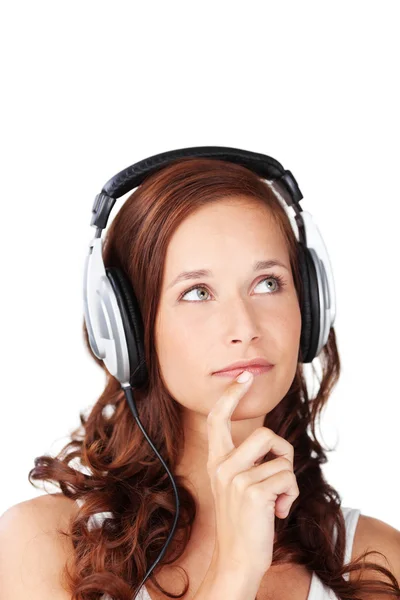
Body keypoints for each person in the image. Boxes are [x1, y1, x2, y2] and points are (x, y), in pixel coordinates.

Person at [1, 157, 399, 600]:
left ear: (309, 304)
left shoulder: (375, 562)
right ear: (128, 331)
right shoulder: (45, 547)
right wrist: (234, 572)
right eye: (197, 292)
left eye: (268, 283)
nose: (244, 326)